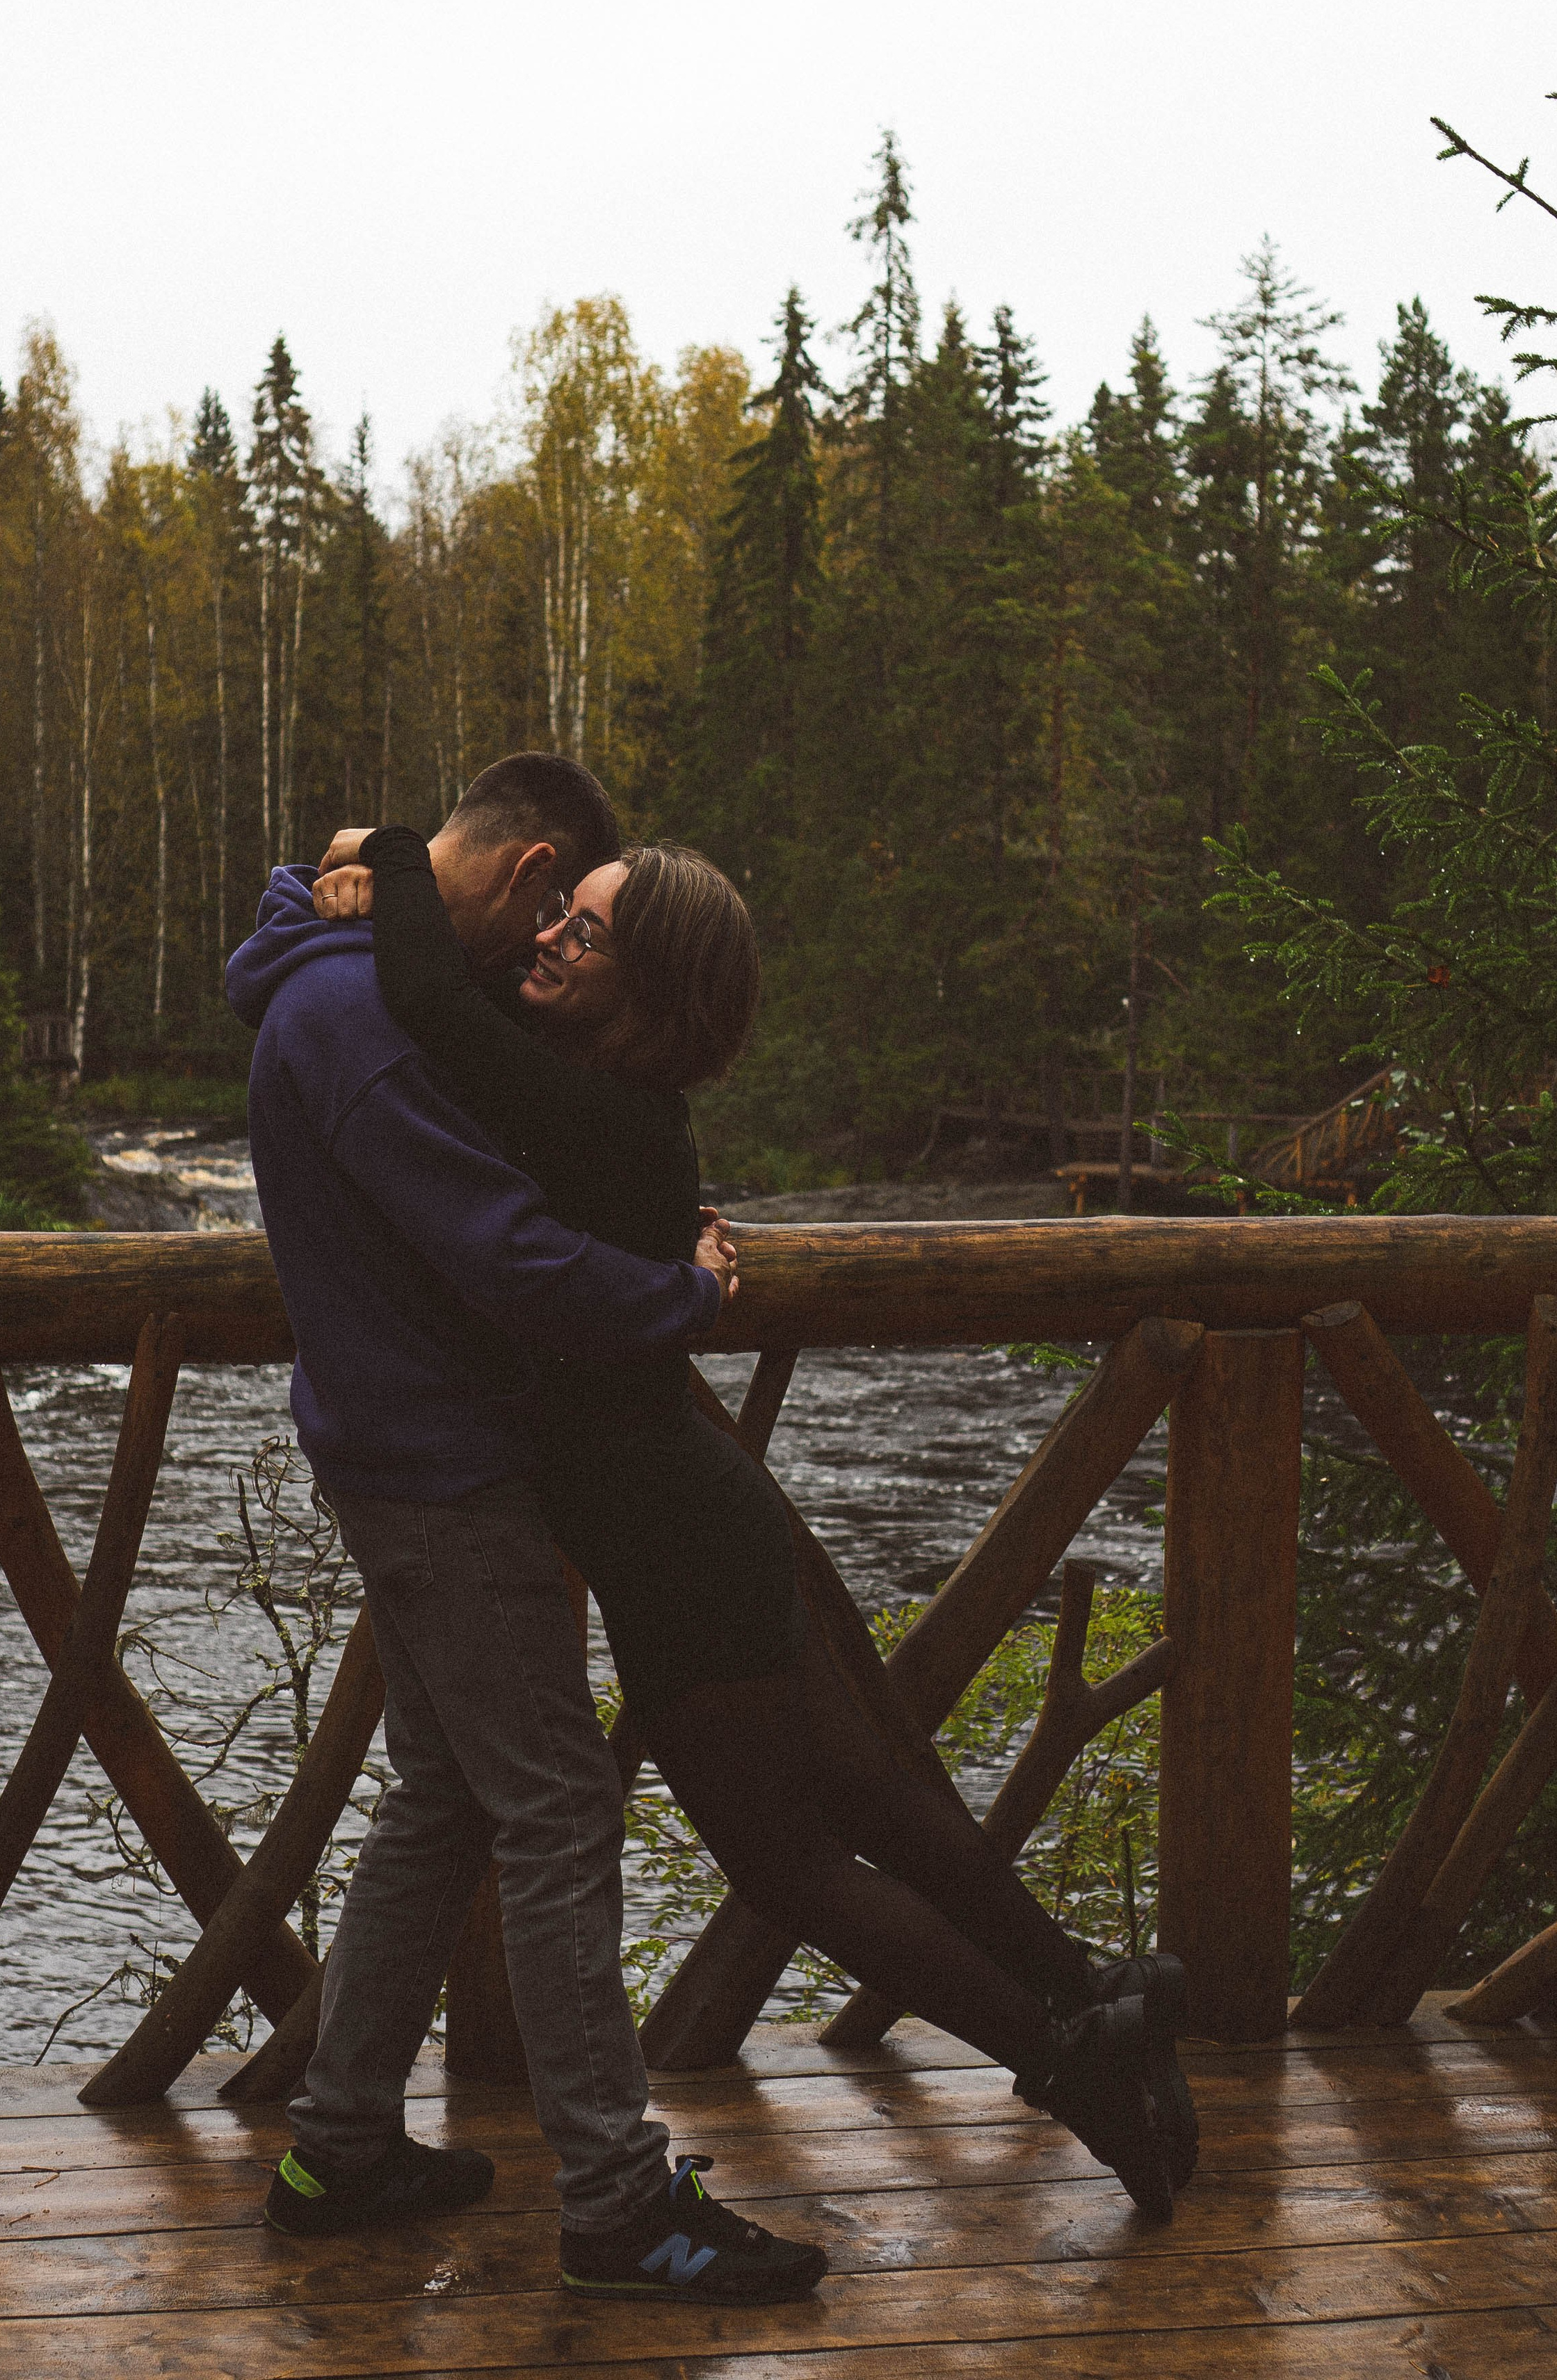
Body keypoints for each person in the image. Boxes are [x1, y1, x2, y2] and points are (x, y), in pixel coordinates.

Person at [312, 816, 1198, 2220]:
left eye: (583, 931)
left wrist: (391, 847)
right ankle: (1091, 1993)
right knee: (885, 1802)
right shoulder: (610, 1110)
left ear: (647, 995)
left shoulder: (587, 1117)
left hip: (674, 1551)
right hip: (703, 1508)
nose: (546, 936)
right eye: (555, 916)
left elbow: (427, 995)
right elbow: (462, 994)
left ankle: (1066, 2062)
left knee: (792, 1868)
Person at [227, 753, 829, 2306]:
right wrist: (685, 1296)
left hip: (401, 1447)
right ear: (527, 872)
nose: (543, 948)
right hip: (436, 1467)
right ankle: (623, 2208)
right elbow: (510, 1257)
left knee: (443, 1795)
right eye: (552, 912)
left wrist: (354, 863)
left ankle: (341, 2144)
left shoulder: (338, 971)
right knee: (558, 1808)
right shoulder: (359, 1016)